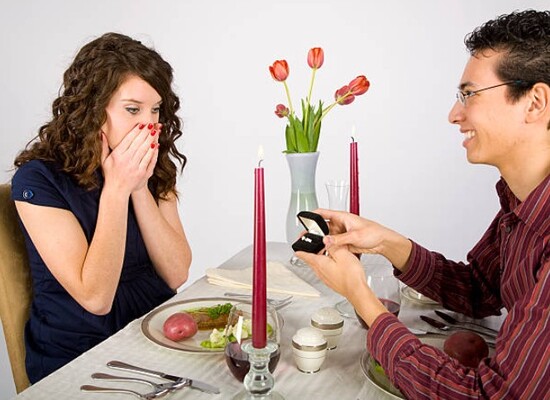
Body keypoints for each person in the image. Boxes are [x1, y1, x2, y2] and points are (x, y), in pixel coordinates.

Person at [297, 9, 549, 399]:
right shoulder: (522, 201)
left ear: (535, 103)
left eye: (469, 95)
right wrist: (387, 243)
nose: (454, 115)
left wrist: (360, 296)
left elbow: (488, 395)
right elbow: (482, 290)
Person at [11, 32, 192, 383]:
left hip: (154, 339)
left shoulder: (154, 165)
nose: (149, 125)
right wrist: (116, 190)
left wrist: (139, 187)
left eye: (155, 109)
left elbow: (176, 272)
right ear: (93, 109)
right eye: (132, 109)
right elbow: (95, 299)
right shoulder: (37, 181)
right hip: (79, 357)